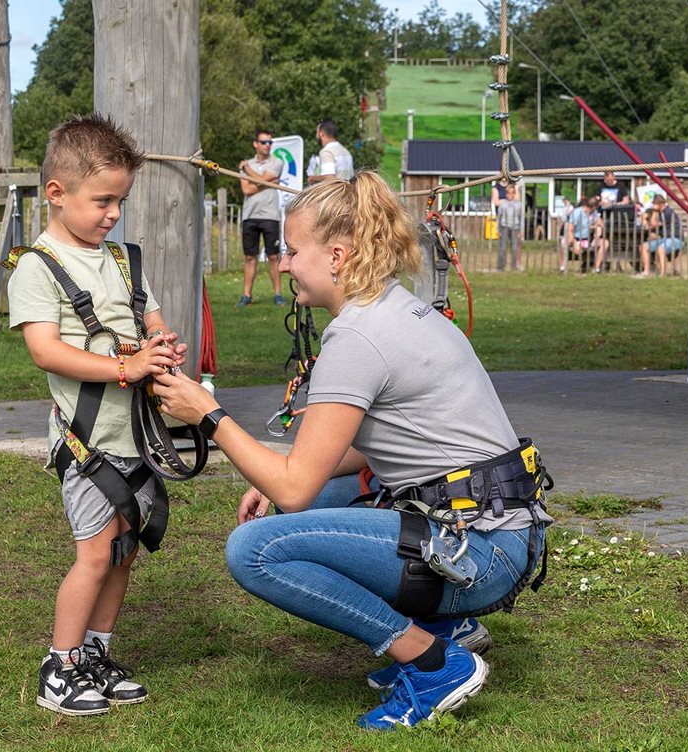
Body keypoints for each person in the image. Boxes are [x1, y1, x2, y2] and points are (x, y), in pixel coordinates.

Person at [150, 171, 553, 731]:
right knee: (298, 500)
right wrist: (277, 478)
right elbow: (371, 452)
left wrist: (208, 416)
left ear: (336, 255)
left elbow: (295, 485)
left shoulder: (358, 337)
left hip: (481, 551)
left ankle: (434, 660)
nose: (284, 264)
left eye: (293, 251)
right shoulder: (396, 306)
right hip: (503, 533)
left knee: (254, 551)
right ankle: (445, 625)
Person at [6, 113, 189, 717]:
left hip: (135, 436)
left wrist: (159, 345)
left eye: (120, 202)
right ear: (56, 194)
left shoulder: (122, 259)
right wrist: (124, 369)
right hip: (87, 442)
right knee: (93, 552)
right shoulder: (37, 266)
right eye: (101, 201)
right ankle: (59, 666)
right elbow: (44, 350)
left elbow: (149, 316)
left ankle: (95, 652)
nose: (112, 213)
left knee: (124, 549)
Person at [237, 128, 286, 306]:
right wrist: (268, 182)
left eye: (270, 142)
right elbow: (247, 189)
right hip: (250, 216)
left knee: (273, 256)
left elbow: (257, 182)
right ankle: (247, 295)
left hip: (270, 216)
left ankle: (278, 294)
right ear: (255, 144)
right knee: (250, 257)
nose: (268, 145)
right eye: (264, 142)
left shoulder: (276, 162)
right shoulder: (247, 164)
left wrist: (248, 170)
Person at [638, 194, 684, 278]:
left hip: (676, 239)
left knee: (661, 248)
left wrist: (654, 212)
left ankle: (662, 274)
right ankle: (646, 272)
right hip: (665, 238)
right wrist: (644, 219)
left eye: (655, 204)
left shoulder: (668, 213)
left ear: (660, 204)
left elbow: (653, 224)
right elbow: (650, 225)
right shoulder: (660, 213)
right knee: (644, 246)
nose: (653, 206)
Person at [562, 196, 606, 274]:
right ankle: (563, 267)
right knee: (563, 242)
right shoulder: (576, 213)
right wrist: (574, 241)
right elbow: (570, 230)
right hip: (576, 238)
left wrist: (595, 226)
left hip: (589, 239)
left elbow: (601, 224)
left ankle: (596, 268)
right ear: (593, 207)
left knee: (605, 243)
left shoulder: (594, 213)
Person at [308, 119, 354, 183]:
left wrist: (312, 178)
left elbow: (329, 178)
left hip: (337, 192)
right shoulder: (346, 151)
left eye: (317, 132)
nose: (316, 135)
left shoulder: (326, 152)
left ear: (321, 133)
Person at [491, 181, 524, 271]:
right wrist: (498, 229)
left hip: (515, 227)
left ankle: (513, 267)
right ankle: (501, 266)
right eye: (507, 192)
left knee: (514, 248)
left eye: (511, 192)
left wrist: (521, 230)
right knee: (502, 248)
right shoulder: (502, 204)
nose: (509, 194)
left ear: (514, 193)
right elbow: (499, 217)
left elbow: (521, 218)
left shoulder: (518, 204)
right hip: (504, 227)